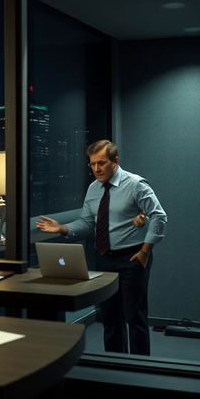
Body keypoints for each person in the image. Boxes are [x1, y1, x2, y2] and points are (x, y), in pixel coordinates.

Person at [35, 139, 167, 355]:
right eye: (92, 164)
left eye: (102, 163)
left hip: (132, 258)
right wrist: (62, 228)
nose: (96, 169)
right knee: (110, 318)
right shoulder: (93, 189)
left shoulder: (135, 184)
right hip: (104, 259)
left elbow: (159, 216)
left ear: (115, 161)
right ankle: (115, 366)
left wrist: (145, 251)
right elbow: (87, 224)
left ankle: (141, 370)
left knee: (135, 318)